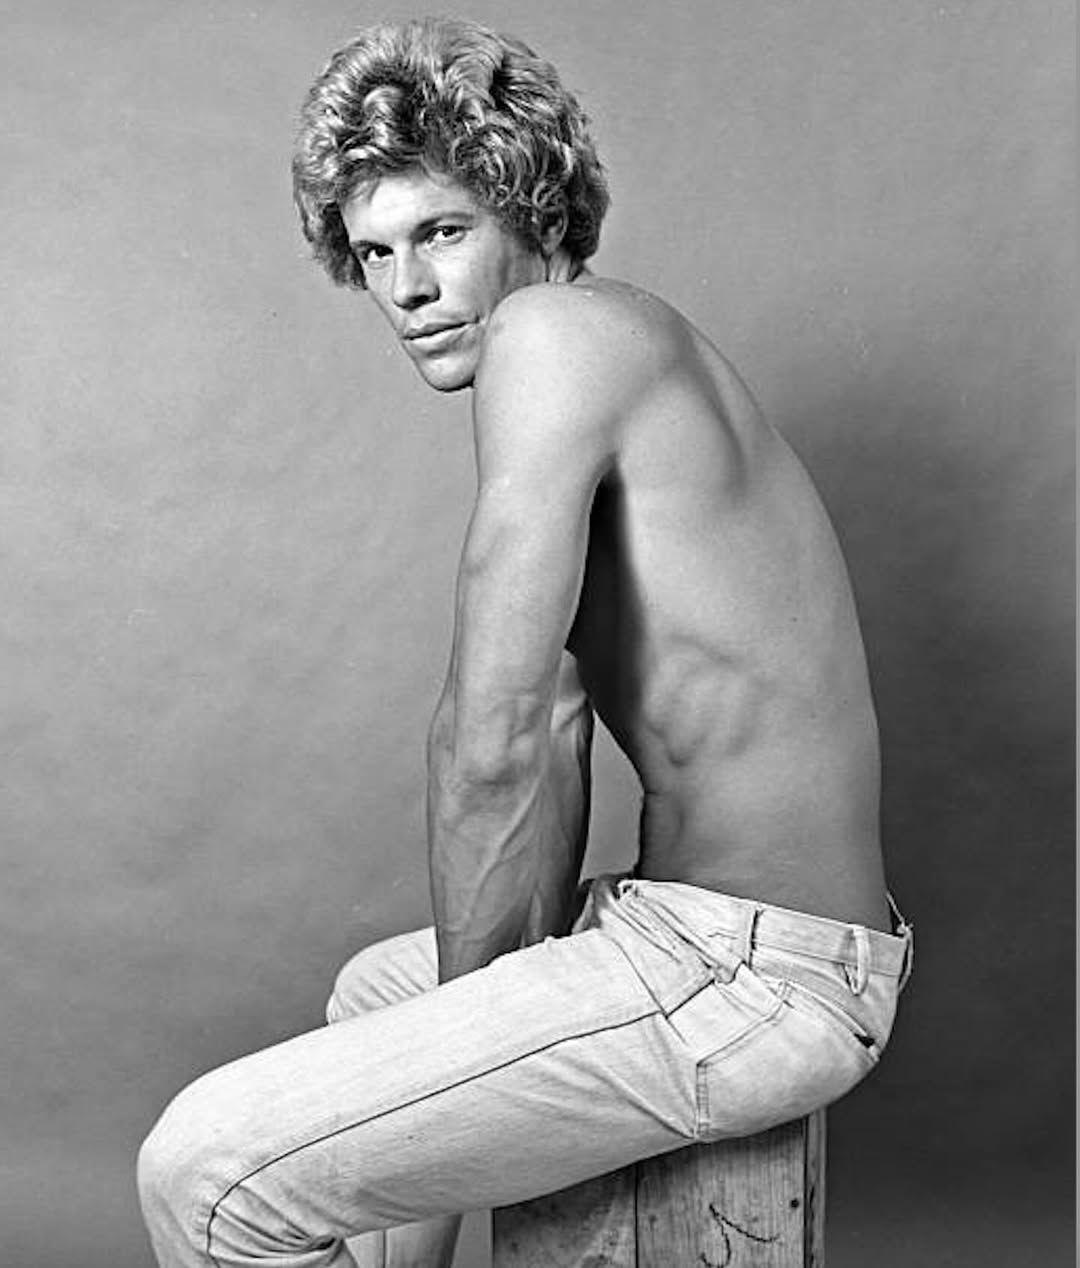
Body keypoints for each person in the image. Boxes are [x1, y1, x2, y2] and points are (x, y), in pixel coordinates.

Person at [137, 17, 912, 1268]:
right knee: (376, 990)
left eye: (443, 232)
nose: (405, 287)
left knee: (204, 1174)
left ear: (529, 206)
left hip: (755, 972)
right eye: (374, 250)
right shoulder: (609, 349)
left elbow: (488, 739)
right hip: (716, 934)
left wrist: (467, 1032)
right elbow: (549, 736)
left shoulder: (553, 338)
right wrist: (452, 1030)